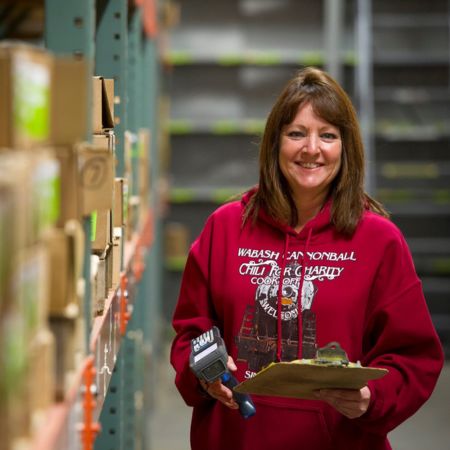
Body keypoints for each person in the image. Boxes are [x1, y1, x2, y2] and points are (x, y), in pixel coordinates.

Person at [170, 67, 444, 450]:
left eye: (327, 135)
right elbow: (190, 334)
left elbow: (415, 357)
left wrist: (371, 399)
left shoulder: (379, 240)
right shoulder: (225, 227)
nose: (311, 149)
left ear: (345, 148)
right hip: (236, 437)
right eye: (296, 133)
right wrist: (204, 375)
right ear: (275, 143)